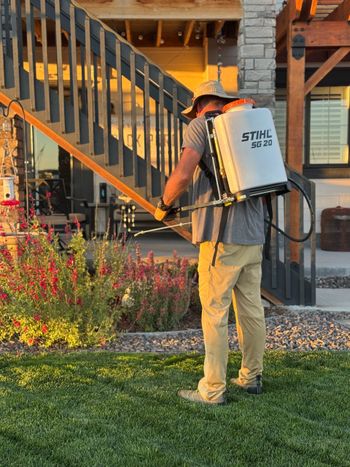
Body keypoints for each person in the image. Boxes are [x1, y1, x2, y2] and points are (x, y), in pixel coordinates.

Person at [154, 80, 266, 405]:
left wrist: (163, 204)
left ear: (200, 104)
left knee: (215, 313)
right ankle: (251, 377)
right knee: (251, 309)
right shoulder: (245, 126)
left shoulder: (201, 125)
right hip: (254, 235)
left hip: (221, 239)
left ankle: (213, 389)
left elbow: (184, 172)